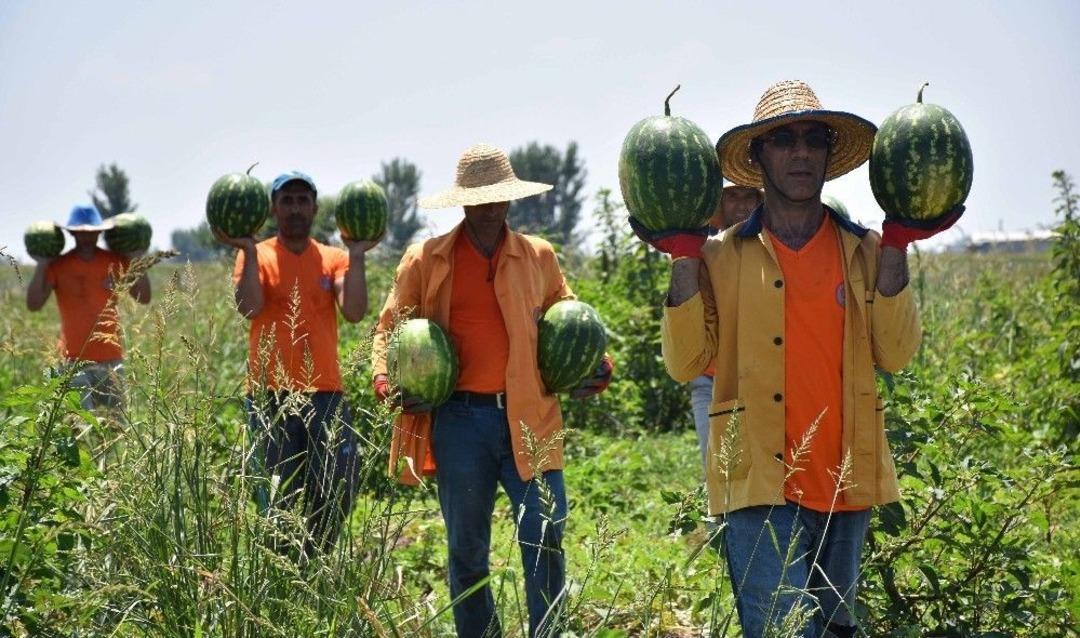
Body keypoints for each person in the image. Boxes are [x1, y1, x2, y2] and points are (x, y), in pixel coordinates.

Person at [633, 80, 962, 637]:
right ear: (758, 158)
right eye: (784, 140)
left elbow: (897, 353)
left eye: (813, 140)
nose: (801, 152)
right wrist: (684, 258)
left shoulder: (864, 252)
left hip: (843, 477)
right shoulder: (719, 257)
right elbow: (686, 363)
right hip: (758, 478)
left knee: (834, 631)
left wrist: (897, 246)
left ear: (830, 156)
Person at [371, 143, 613, 638]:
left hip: (530, 415)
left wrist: (597, 364)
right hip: (460, 421)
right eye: (480, 197)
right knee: (467, 550)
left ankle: (547, 632)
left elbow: (569, 315)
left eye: (499, 196)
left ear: (511, 199)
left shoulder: (537, 256)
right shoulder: (427, 259)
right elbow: (390, 327)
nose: (491, 206)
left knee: (545, 535)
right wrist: (384, 379)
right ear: (463, 201)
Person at [216, 171, 378, 556]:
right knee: (276, 495)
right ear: (273, 208)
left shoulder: (334, 258)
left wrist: (356, 254)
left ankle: (314, 560)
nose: (294, 208)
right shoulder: (256, 255)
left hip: (325, 393)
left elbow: (354, 311)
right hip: (270, 394)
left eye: (302, 200)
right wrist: (250, 250)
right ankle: (281, 571)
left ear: (314, 208)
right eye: (286, 201)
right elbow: (249, 307)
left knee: (339, 484)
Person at [25, 204, 151, 411]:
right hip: (72, 360)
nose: (85, 239)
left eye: (91, 233)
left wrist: (136, 258)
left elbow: (143, 297)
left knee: (116, 428)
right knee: (79, 426)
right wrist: (41, 264)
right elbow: (33, 305)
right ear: (72, 233)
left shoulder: (115, 261)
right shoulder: (58, 265)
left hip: (111, 356)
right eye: (80, 234)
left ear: (100, 233)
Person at [690, 185, 764, 473]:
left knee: (764, 475)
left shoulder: (774, 249)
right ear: (719, 204)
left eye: (749, 197)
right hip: (710, 380)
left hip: (763, 379)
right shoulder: (705, 253)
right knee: (719, 474)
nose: (742, 205)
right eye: (732, 196)